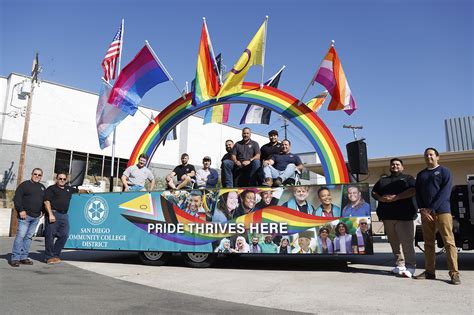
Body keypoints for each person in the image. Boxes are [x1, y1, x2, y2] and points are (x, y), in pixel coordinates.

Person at [414, 148, 460, 285]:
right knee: (428, 243)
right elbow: (418, 194)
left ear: (437, 157)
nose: (429, 157)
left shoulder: (445, 172)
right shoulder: (421, 175)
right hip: (426, 214)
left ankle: (454, 274)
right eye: (426, 155)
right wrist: (422, 210)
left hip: (442, 211)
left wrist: (431, 209)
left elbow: (445, 193)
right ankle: (429, 272)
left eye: (431, 154)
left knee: (449, 242)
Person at [372, 158, 417, 277]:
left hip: (405, 216)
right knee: (394, 243)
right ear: (390, 167)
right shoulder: (383, 180)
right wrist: (381, 198)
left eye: (397, 164)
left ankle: (411, 266)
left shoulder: (408, 179)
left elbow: (413, 190)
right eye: (393, 164)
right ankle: (400, 265)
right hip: (387, 217)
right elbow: (374, 192)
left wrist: (396, 197)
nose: (395, 166)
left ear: (402, 167)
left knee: (407, 243)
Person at [44, 171, 90, 264]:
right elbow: (46, 202)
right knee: (50, 236)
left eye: (64, 179)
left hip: (64, 215)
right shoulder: (51, 189)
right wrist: (50, 214)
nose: (62, 180)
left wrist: (87, 191)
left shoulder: (68, 189)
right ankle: (48, 257)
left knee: (64, 235)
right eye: (60, 178)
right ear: (56, 179)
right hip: (54, 214)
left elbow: (79, 191)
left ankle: (56, 255)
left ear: (66, 180)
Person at [10, 168, 46, 267]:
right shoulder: (24, 185)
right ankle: (15, 258)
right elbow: (17, 198)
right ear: (31, 174)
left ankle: (24, 257)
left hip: (36, 217)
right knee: (20, 236)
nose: (37, 176)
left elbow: (44, 201)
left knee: (29, 237)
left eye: (39, 175)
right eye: (35, 174)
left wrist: (43, 211)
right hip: (25, 216)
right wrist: (21, 210)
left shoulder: (42, 187)